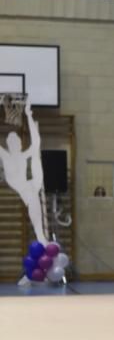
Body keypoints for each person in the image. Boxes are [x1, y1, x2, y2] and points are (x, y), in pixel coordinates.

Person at [0, 101, 47, 244]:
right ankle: (40, 235)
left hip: (30, 185)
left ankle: (40, 235)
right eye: (13, 142)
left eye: (18, 142)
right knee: (32, 195)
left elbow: (36, 142)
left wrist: (28, 116)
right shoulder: (6, 155)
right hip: (19, 184)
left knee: (35, 156)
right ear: (9, 145)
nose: (17, 144)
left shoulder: (23, 155)